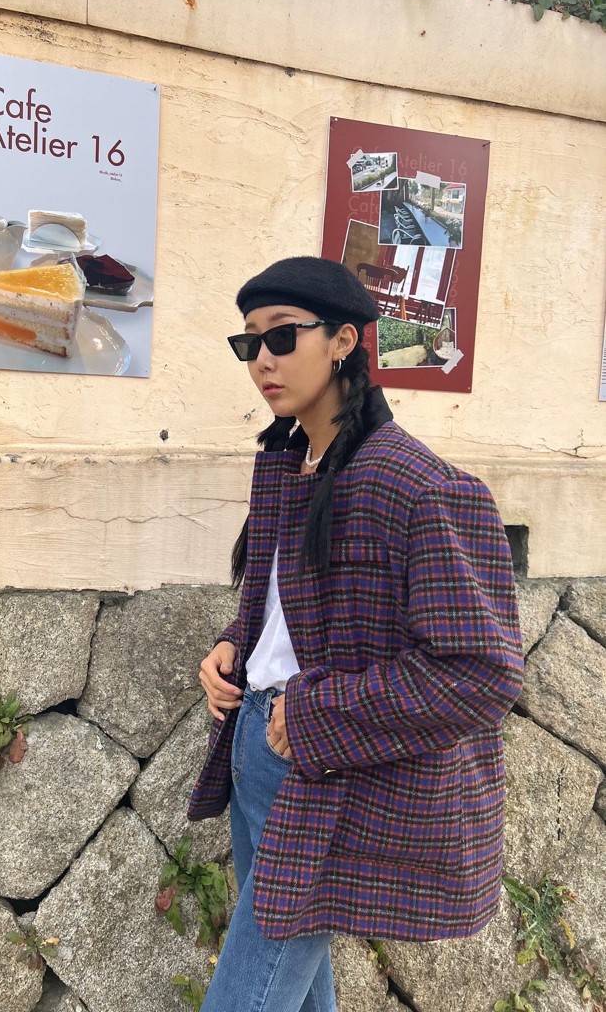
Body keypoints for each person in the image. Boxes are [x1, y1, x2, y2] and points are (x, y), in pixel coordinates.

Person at [187, 257, 523, 1012]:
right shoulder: (286, 463)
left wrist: (312, 714)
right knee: (295, 992)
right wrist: (235, 646)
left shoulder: (420, 486)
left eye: (282, 336)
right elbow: (291, 610)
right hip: (254, 744)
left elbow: (482, 672)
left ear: (343, 341)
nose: (263, 360)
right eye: (248, 343)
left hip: (322, 770)